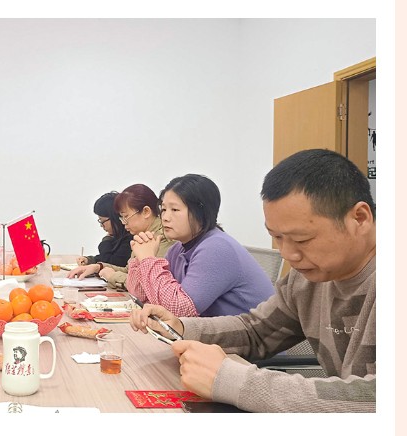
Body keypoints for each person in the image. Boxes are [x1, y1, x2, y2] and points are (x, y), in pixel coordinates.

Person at [130, 149, 376, 412]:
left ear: (359, 218)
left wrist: (234, 381)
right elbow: (256, 331)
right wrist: (181, 327)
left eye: (302, 239)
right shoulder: (306, 280)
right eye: (277, 237)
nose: (288, 254)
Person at [125, 174, 275, 316]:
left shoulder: (217, 247)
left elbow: (180, 310)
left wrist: (148, 260)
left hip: (252, 333)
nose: (165, 217)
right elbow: (142, 298)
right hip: (210, 331)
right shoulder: (177, 249)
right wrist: (139, 260)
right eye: (163, 209)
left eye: (175, 209)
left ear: (201, 212)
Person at [68, 184, 175, 290]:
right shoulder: (142, 236)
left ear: (146, 212)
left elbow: (149, 287)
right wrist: (98, 267)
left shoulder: (162, 238)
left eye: (126, 216)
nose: (123, 223)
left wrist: (113, 276)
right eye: (121, 218)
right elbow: (129, 271)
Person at [76, 191, 132, 268]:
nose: (101, 225)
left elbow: (111, 262)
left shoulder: (130, 238)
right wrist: (89, 260)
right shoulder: (118, 236)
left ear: (115, 217)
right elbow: (106, 257)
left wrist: (106, 240)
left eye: (102, 221)